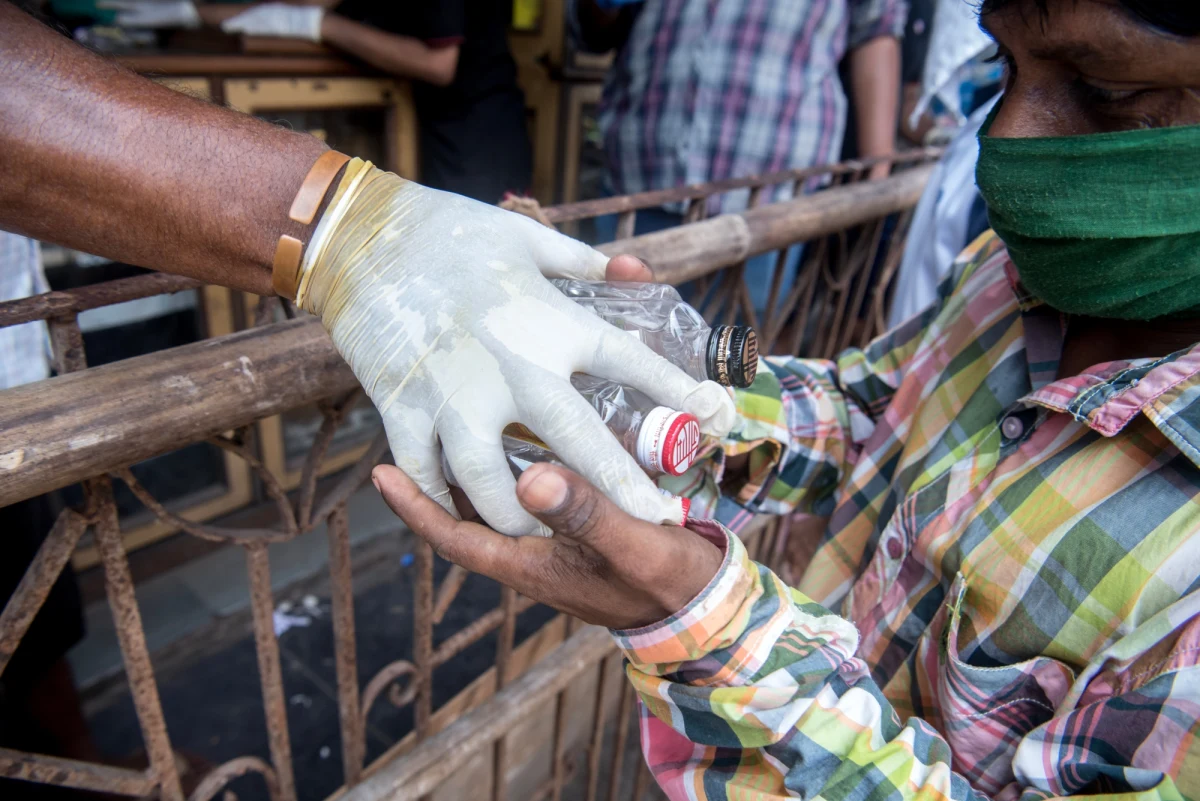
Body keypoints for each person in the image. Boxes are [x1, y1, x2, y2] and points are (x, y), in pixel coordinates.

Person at [370, 1, 1200, 799]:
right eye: (1005, 64)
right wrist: (668, 395)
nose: (1004, 138)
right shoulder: (1008, 272)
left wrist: (704, 623)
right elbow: (872, 408)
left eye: (1109, 91)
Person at [0, 0, 735, 540]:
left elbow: (438, 59)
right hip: (389, 167)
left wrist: (349, 224)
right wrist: (344, 231)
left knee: (514, 357)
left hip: (461, 143)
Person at [571, 0, 906, 316]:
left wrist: (878, 178)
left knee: (742, 344)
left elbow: (876, 29)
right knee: (618, 328)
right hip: (638, 182)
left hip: (773, 202)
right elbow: (590, 35)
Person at [103, 0, 532, 203]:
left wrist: (319, 26)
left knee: (481, 248)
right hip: (422, 120)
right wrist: (193, 13)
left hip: (478, 133)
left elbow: (439, 64)